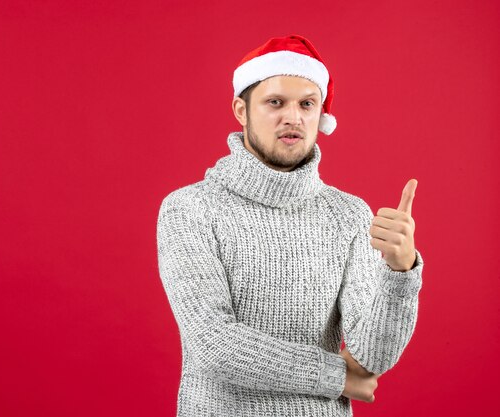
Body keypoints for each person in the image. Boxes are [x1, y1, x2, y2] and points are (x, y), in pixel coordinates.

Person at [156, 34, 424, 417]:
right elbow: (214, 344)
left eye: (307, 104)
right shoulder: (190, 209)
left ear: (320, 114)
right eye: (275, 102)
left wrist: (400, 274)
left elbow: (370, 358)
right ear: (241, 110)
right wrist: (337, 377)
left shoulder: (348, 215)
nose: (293, 117)